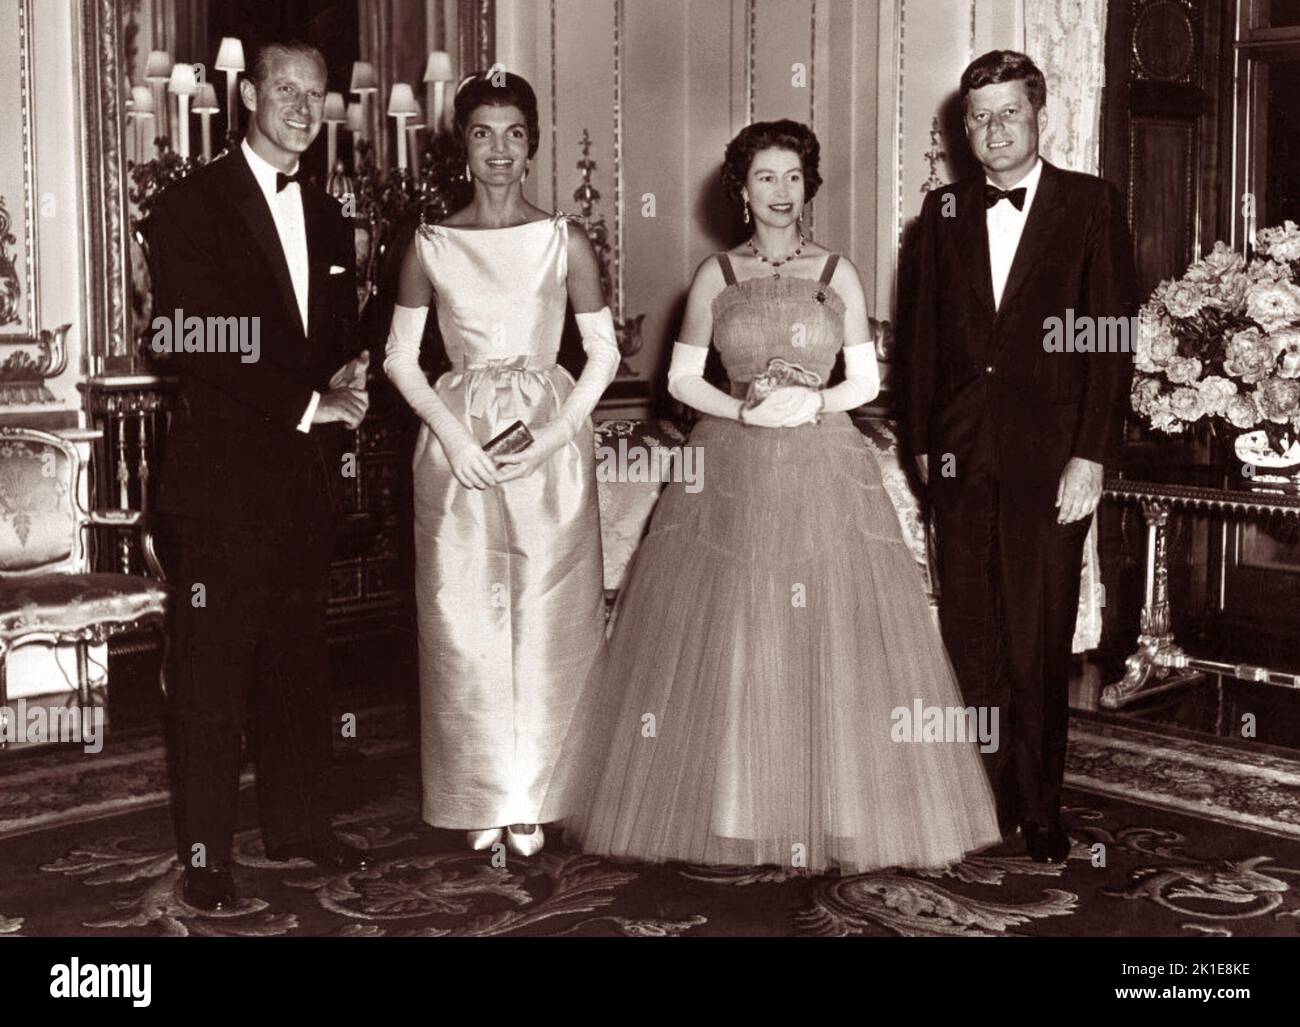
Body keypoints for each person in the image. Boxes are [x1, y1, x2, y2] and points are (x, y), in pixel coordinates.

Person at [540, 120, 1002, 875]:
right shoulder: (716, 276)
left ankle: (842, 808)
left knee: (833, 636)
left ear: (808, 185)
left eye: (793, 177)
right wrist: (744, 410)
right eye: (765, 178)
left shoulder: (838, 271)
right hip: (731, 468)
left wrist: (813, 406)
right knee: (740, 630)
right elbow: (683, 379)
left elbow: (867, 379)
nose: (780, 192)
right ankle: (739, 807)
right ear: (741, 190)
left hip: (825, 467)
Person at [147, 38, 372, 912]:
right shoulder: (188, 207)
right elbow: (189, 338)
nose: (302, 106)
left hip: (299, 482)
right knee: (212, 674)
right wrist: (307, 404)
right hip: (220, 485)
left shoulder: (329, 215)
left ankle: (299, 823)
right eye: (285, 88)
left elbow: (333, 330)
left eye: (315, 93)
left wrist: (350, 373)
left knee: (295, 662)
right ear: (248, 95)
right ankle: (206, 855)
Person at [900, 51, 1137, 863]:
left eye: (1009, 113)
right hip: (961, 458)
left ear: (1041, 118)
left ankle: (1041, 806)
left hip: (1052, 463)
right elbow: (923, 342)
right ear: (963, 129)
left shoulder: (1091, 205)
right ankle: (980, 799)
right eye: (979, 117)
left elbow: (1110, 341)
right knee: (972, 637)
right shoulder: (940, 215)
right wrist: (927, 447)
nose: (994, 129)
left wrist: (1092, 456)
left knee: (1038, 638)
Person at [383, 71, 618, 858]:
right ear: (463, 144)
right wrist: (453, 438)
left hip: (547, 445)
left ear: (533, 142)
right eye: (483, 132)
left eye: (514, 132)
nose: (498, 150)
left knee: (551, 617)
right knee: (463, 620)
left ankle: (538, 795)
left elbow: (605, 353)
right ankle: (483, 788)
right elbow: (399, 360)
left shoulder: (564, 239)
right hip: (459, 450)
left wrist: (553, 438)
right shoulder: (429, 243)